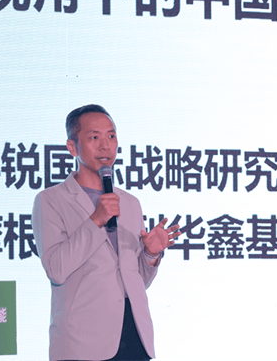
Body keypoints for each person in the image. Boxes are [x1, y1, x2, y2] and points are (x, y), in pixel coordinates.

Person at [33, 104, 181, 361]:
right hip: (82, 342)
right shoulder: (51, 200)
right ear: (72, 147)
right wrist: (96, 220)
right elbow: (56, 269)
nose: (105, 146)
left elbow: (135, 281)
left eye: (111, 136)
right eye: (94, 137)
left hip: (134, 336)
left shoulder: (130, 203)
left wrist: (149, 255)